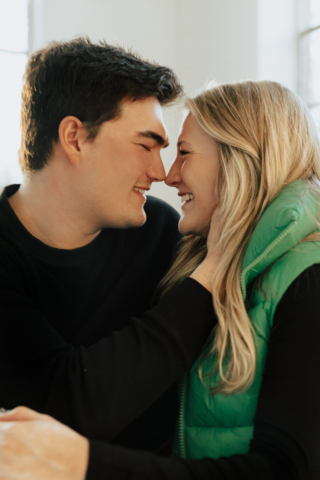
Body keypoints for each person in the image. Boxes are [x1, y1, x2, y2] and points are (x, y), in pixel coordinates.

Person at [1, 79, 320, 480]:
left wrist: (84, 464)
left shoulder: (308, 279)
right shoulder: (193, 259)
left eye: (183, 154)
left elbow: (287, 469)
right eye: (146, 146)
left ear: (242, 161)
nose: (167, 176)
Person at [0, 36, 217, 455]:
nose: (160, 172)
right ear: (75, 137)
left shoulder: (161, 232)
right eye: (145, 145)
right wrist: (210, 276)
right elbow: (60, 411)